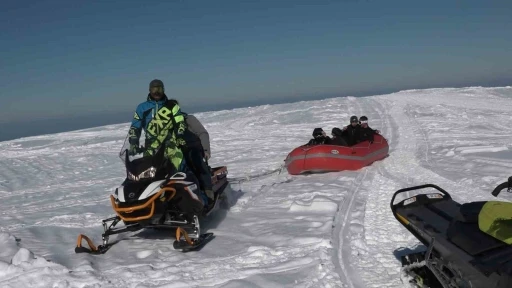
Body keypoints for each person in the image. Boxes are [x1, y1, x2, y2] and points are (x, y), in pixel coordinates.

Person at [127, 79, 211, 210]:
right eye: (154, 89)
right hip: (151, 148)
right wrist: (133, 142)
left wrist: (180, 133)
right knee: (149, 177)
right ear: (149, 90)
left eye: (159, 88)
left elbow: (179, 122)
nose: (157, 92)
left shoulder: (171, 106)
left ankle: (201, 201)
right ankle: (149, 206)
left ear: (164, 89)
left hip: (171, 145)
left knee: (182, 172)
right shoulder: (142, 108)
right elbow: (135, 127)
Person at [167, 99, 214, 202]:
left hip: (193, 150)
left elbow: (202, 133)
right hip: (176, 155)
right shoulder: (165, 125)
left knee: (198, 166)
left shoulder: (188, 119)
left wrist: (206, 150)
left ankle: (208, 192)